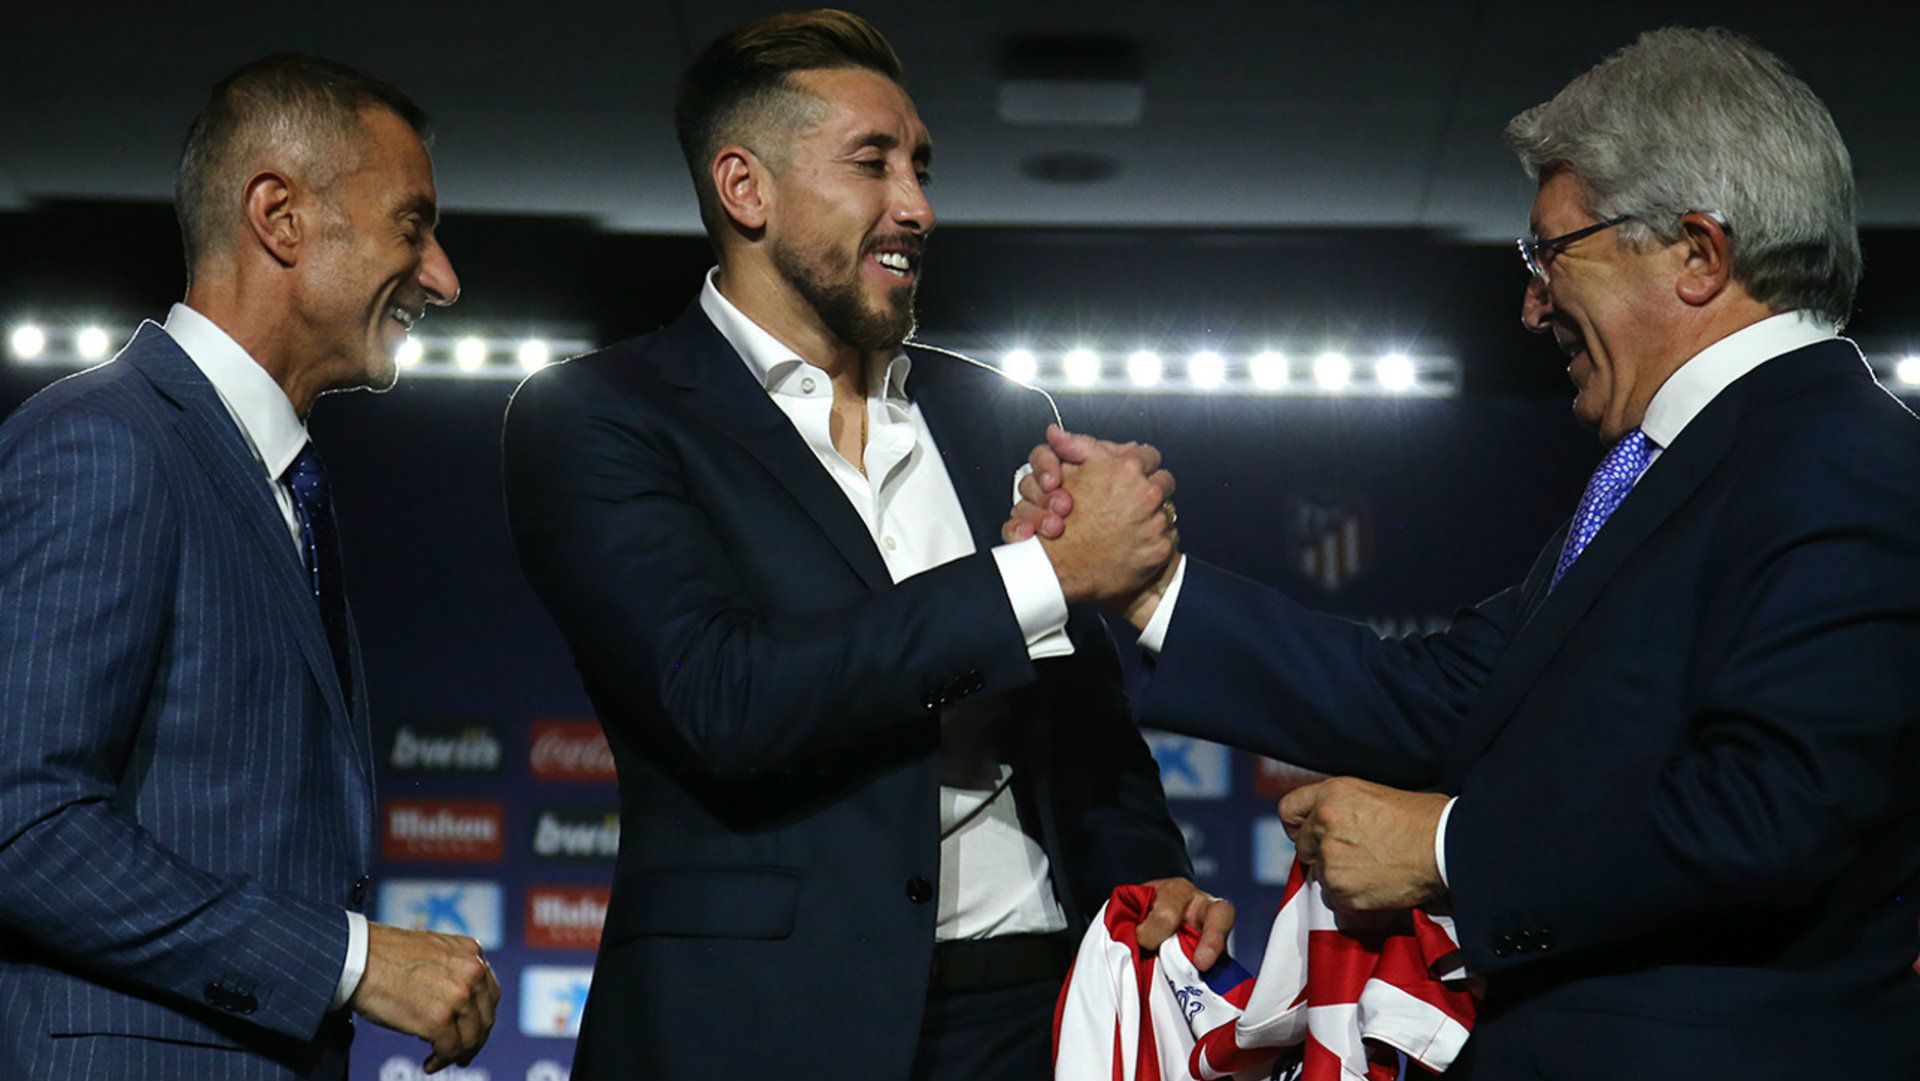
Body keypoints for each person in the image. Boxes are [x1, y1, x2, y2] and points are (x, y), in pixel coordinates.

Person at [1011, 27, 1920, 1079]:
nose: (1531, 302)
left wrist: (1443, 850)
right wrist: (1145, 584)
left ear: (1697, 254)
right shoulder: (1691, 464)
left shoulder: (1841, 461)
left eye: (1551, 253)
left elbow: (1771, 812)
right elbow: (1441, 696)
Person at [501, 11, 1227, 1080]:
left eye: (923, 166)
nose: (919, 206)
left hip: (1033, 1013)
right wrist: (1041, 575)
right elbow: (723, 697)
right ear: (745, 189)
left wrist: (1147, 868)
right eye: (873, 164)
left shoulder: (997, 416)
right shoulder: (597, 417)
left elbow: (1085, 726)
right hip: (757, 1028)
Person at [0, 54, 499, 1081]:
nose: (443, 276)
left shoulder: (279, 484)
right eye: (413, 225)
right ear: (279, 215)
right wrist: (350, 959)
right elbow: (23, 824)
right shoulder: (109, 444)